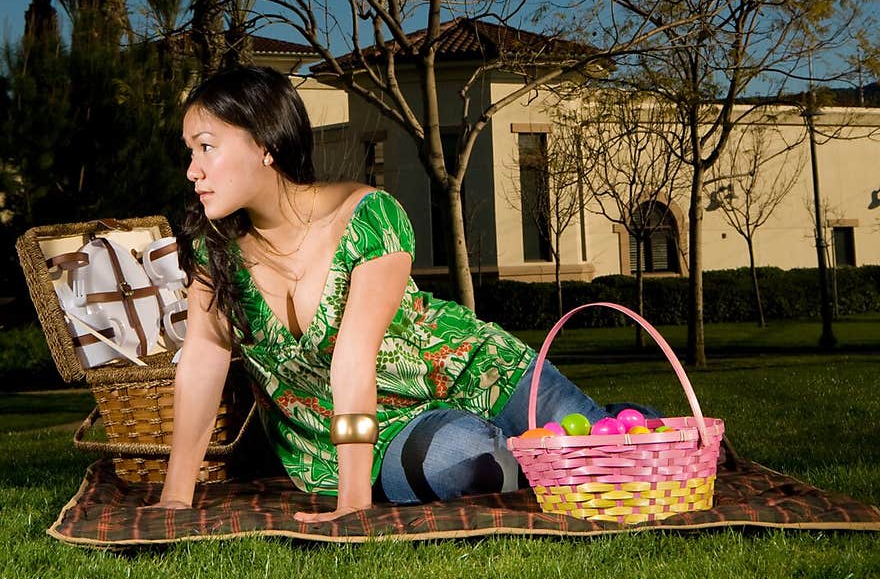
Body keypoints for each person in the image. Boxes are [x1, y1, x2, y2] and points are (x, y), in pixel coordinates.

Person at [159, 65, 660, 521]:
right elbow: (204, 356)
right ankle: (530, 452)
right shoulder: (215, 248)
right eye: (190, 151)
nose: (192, 170)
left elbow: (353, 358)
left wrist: (354, 506)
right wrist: (176, 496)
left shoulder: (367, 217)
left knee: (609, 454)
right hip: (374, 438)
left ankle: (628, 430)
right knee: (463, 463)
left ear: (264, 144)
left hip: (479, 371)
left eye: (207, 146)